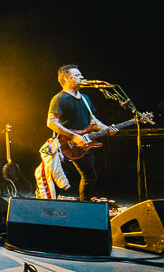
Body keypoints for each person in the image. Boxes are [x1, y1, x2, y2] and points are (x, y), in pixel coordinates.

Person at [47, 65, 117, 201]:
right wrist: (73, 136)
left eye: (81, 75)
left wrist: (107, 129)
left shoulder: (85, 98)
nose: (82, 78)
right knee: (56, 178)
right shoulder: (59, 98)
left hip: (83, 144)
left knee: (90, 176)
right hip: (63, 144)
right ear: (66, 78)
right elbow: (51, 122)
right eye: (77, 75)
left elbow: (93, 121)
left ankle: (84, 206)